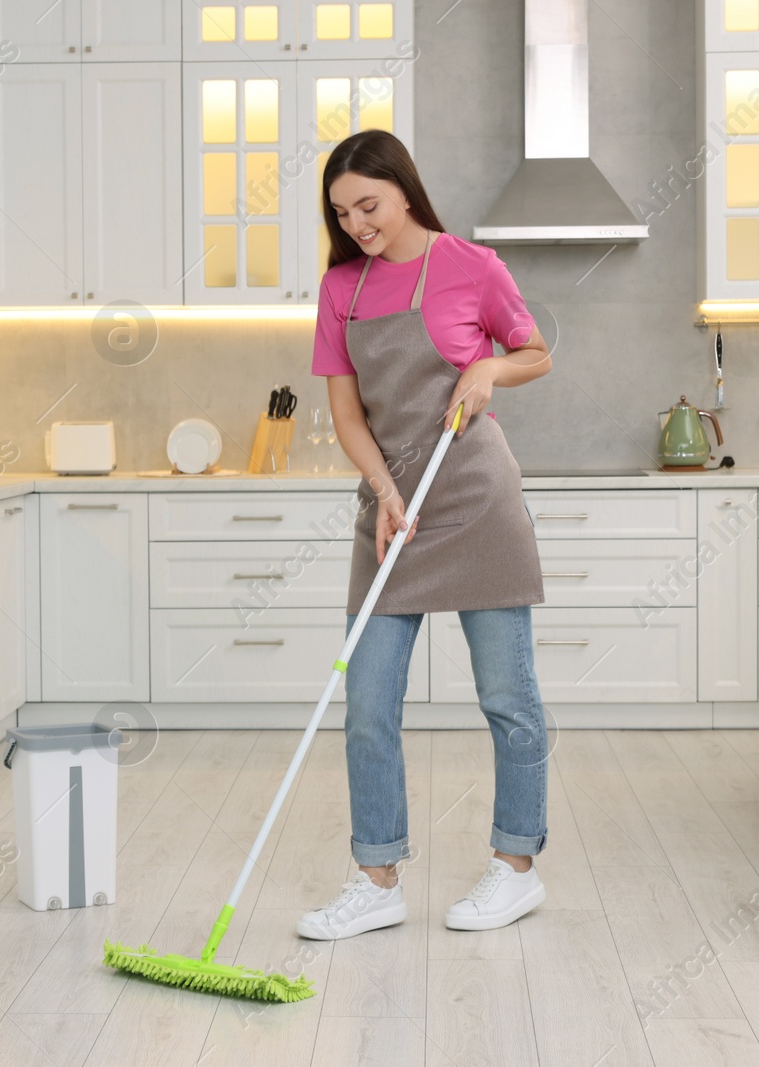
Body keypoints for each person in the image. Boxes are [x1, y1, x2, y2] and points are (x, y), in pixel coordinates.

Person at [296, 129, 554, 941]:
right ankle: (378, 876)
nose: (358, 222)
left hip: (477, 498)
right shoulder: (341, 286)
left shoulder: (473, 267)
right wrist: (383, 494)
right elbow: (345, 412)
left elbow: (535, 352)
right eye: (342, 211)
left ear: (403, 189)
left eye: (368, 204)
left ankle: (516, 868)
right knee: (367, 700)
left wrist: (488, 370)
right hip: (392, 507)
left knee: (507, 697)